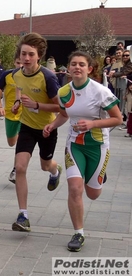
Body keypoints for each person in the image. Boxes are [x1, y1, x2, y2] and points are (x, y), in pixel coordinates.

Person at [43, 51, 122, 252]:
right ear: (68, 68)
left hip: (98, 146)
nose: (77, 67)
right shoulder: (63, 92)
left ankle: (99, 176)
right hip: (74, 145)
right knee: (75, 188)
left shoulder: (100, 91)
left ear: (90, 68)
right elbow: (63, 114)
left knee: (93, 193)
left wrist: (93, 124)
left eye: (81, 64)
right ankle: (79, 232)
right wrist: (52, 126)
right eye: (73, 64)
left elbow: (118, 119)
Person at [10, 32, 62, 232]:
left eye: (31, 54)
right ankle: (23, 215)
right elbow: (18, 90)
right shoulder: (17, 74)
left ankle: (55, 171)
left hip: (48, 128)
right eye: (24, 54)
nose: (26, 58)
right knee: (20, 167)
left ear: (38, 56)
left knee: (45, 165)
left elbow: (60, 108)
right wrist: (16, 104)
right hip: (27, 127)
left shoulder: (47, 77)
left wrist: (37, 105)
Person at [0, 54, 23, 183]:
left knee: (21, 144)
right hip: (10, 113)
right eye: (18, 62)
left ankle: (16, 169)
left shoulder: (30, 76)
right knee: (11, 142)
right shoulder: (6, 75)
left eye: (22, 63)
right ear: (14, 62)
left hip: (25, 114)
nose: (20, 65)